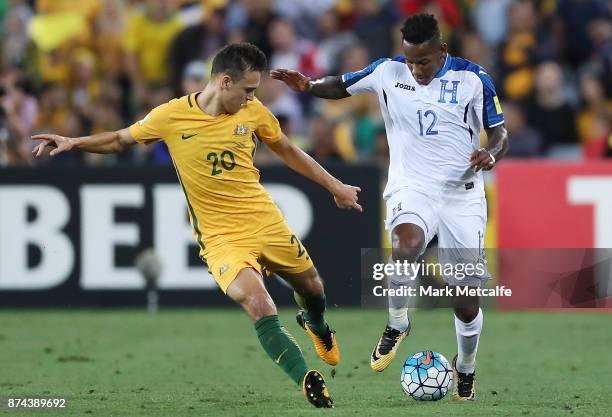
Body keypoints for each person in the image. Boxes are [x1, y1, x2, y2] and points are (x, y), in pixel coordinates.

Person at [32, 43, 363, 409]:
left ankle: (316, 325)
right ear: (224, 82)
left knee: (313, 287)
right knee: (257, 303)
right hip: (221, 238)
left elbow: (286, 150)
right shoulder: (171, 116)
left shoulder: (252, 113)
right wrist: (74, 142)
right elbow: (120, 139)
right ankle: (306, 379)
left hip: (264, 220)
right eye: (248, 90)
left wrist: (336, 186)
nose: (252, 97)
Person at [272, 13, 508, 401]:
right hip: (412, 186)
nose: (415, 70)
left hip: (461, 195)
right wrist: (308, 85)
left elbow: (499, 130)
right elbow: (341, 86)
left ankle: (465, 367)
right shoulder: (387, 72)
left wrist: (492, 153)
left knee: (465, 301)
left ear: (441, 51)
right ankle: (398, 323)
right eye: (410, 61)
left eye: (424, 62)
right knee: (405, 247)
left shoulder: (473, 78)